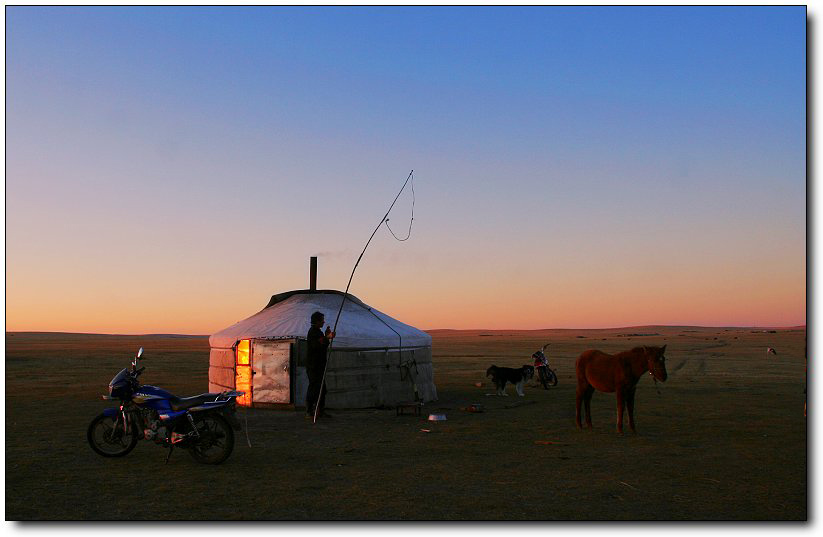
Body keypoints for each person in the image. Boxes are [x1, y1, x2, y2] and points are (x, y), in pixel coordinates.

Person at [306, 311, 335, 419]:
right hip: (314, 366)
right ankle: (309, 412)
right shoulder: (313, 332)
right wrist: (328, 337)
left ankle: (320, 411)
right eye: (322, 320)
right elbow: (316, 345)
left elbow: (322, 345)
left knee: (322, 388)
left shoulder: (318, 332)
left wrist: (327, 336)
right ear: (317, 321)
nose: (323, 322)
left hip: (319, 365)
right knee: (314, 388)